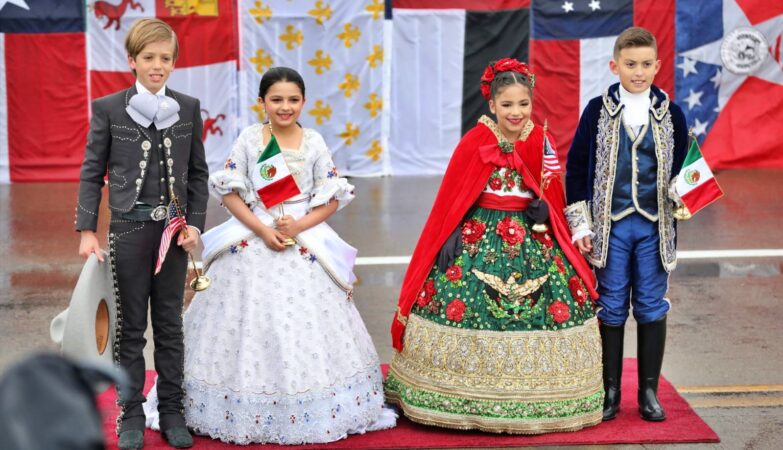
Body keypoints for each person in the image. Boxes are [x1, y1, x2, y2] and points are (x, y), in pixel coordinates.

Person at [154, 66, 394, 445]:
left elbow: (331, 197)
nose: (286, 107)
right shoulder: (250, 140)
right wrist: (264, 230)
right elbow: (230, 192)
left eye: (293, 100)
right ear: (262, 102)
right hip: (255, 231)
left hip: (303, 232)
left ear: (304, 102)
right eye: (277, 99)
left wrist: (298, 227)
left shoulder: (313, 141)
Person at [386, 58, 604, 434]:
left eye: (523, 104)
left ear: (532, 104)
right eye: (507, 105)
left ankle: (542, 397)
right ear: (491, 104)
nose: (515, 113)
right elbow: (455, 195)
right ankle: (458, 395)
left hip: (531, 234)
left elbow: (551, 189)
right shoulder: (476, 140)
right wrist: (451, 231)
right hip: (480, 233)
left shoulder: (539, 138)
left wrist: (544, 211)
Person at [75, 18, 208, 450]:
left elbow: (199, 175)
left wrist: (195, 226)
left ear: (173, 63)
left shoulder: (188, 107)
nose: (157, 66)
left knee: (169, 325)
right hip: (129, 230)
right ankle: (129, 412)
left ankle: (172, 411)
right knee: (130, 328)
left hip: (172, 232)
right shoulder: (110, 108)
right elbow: (92, 171)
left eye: (165, 58)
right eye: (148, 58)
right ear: (132, 61)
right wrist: (87, 230)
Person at [564, 27, 688, 422]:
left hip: (654, 226)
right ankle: (610, 389)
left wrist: (686, 194)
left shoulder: (671, 113)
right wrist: (581, 224)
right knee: (612, 304)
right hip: (610, 226)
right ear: (614, 65)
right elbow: (577, 169)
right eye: (630, 64)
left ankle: (648, 390)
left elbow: (687, 166)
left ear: (657, 65)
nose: (639, 72)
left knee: (651, 304)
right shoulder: (597, 111)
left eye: (646, 64)